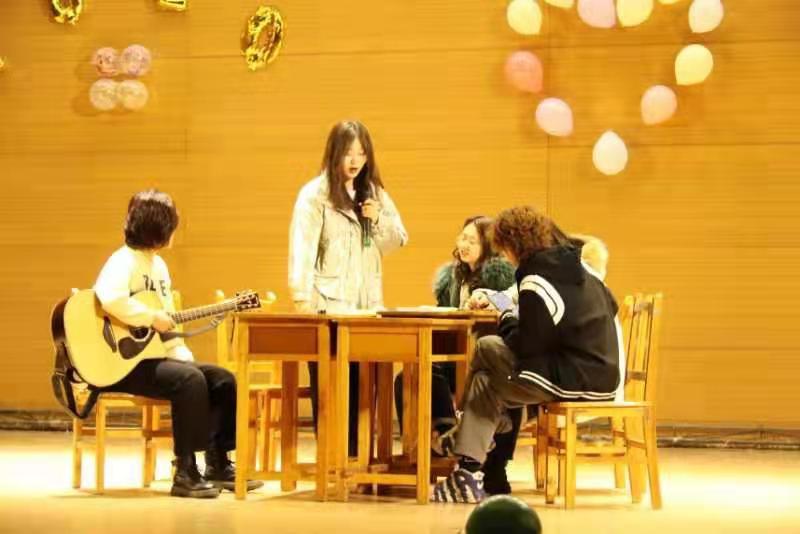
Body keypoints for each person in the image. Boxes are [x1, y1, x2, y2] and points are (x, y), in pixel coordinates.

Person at [432, 206, 620, 503]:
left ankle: (474, 424)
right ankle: (467, 475)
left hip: (576, 378)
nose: (504, 257)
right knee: (485, 381)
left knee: (487, 346)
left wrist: (507, 316)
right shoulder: (577, 266)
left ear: (512, 245)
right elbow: (612, 305)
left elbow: (527, 345)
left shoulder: (537, 277)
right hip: (599, 373)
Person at [94, 189, 261, 498]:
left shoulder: (158, 267)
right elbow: (110, 299)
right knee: (189, 381)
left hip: (154, 356)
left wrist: (181, 353)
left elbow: (168, 319)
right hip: (123, 363)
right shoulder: (122, 261)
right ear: (158, 227)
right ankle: (185, 470)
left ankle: (218, 462)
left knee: (222, 379)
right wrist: (149, 316)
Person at [288, 120, 408, 456]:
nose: (355, 161)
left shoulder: (375, 193)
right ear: (334, 153)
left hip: (367, 307)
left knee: (363, 385)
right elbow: (302, 250)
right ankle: (332, 456)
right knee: (330, 387)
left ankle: (359, 457)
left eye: (361, 153)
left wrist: (378, 218)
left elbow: (397, 240)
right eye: (348, 153)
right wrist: (302, 299)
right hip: (328, 306)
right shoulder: (315, 195)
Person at [394, 216, 514, 458]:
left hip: (483, 358)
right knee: (408, 375)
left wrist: (487, 302)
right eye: (463, 238)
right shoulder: (452, 277)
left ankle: (448, 439)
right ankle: (438, 438)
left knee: (436, 371)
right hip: (454, 352)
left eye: (472, 241)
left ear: (487, 246)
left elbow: (510, 306)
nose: (464, 245)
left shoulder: (502, 279)